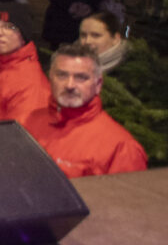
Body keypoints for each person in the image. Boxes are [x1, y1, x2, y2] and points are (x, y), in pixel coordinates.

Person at [24, 44, 147, 178]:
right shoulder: (32, 121)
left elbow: (125, 198)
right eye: (62, 75)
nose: (70, 85)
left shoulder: (121, 147)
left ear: (98, 84)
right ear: (50, 78)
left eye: (81, 77)